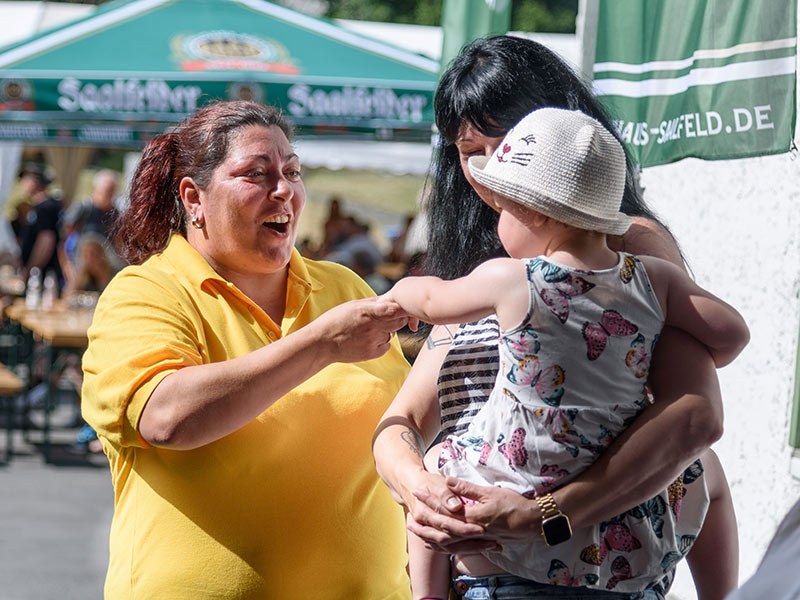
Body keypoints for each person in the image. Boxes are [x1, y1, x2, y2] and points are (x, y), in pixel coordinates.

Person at [372, 35, 739, 600]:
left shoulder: (629, 254)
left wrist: (545, 514)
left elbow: (694, 417)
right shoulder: (492, 265)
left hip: (580, 569)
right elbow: (404, 421)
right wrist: (419, 487)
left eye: (505, 142)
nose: (487, 167)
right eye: (469, 150)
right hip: (484, 577)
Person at [80, 101, 413, 599]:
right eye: (256, 174)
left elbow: (406, 416)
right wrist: (321, 344)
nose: (284, 190)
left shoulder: (343, 287)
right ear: (193, 198)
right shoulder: (147, 291)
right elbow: (165, 417)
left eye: (292, 172)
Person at [16, 162, 62, 285]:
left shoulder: (45, 208)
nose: (22, 183)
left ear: (35, 181)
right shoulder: (38, 206)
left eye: (25, 179)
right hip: (38, 274)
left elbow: (46, 241)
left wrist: (31, 270)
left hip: (43, 276)